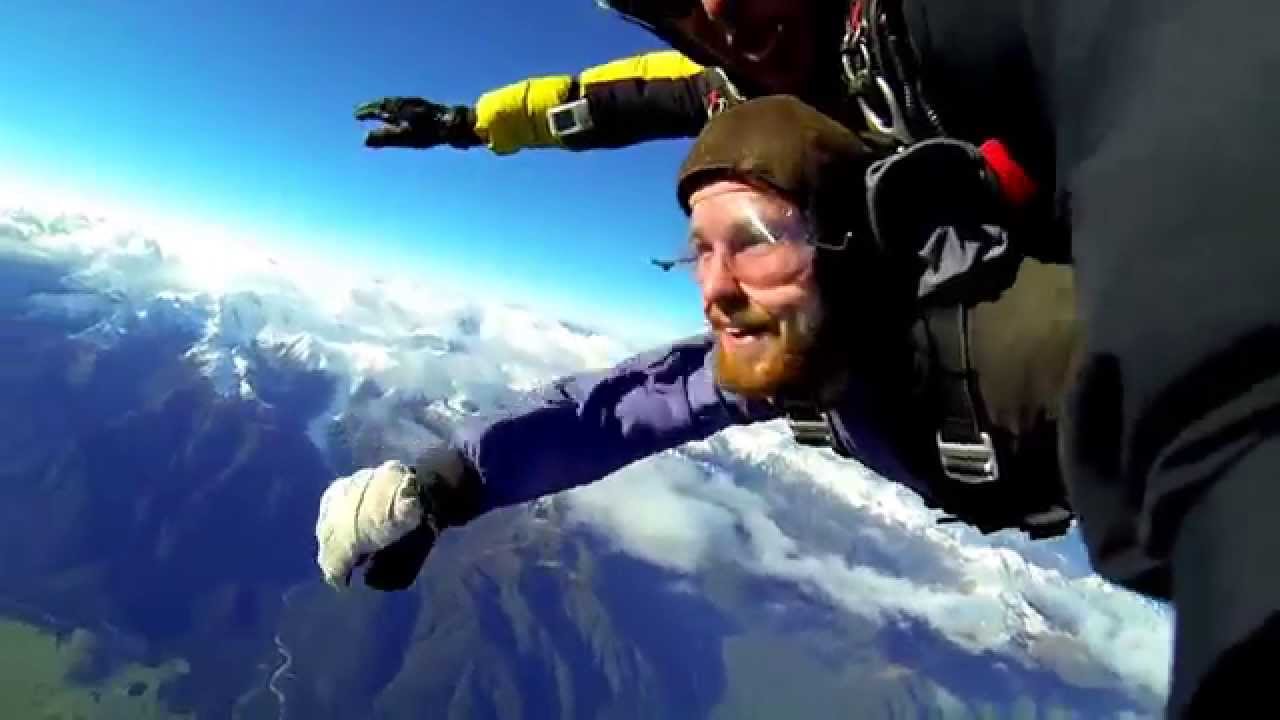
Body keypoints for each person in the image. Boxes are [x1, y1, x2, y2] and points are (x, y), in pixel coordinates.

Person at [357, 4, 1280, 714]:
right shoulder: (788, 340)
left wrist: (1227, 455)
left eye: (754, 237)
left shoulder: (941, 40)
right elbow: (630, 391)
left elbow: (1160, 53)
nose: (722, 13)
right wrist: (444, 484)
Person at [318, 90, 1080, 648]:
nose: (713, 288)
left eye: (753, 239)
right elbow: (623, 408)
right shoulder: (803, 346)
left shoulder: (1048, 352)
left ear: (853, 242)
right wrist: (446, 484)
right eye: (698, 249)